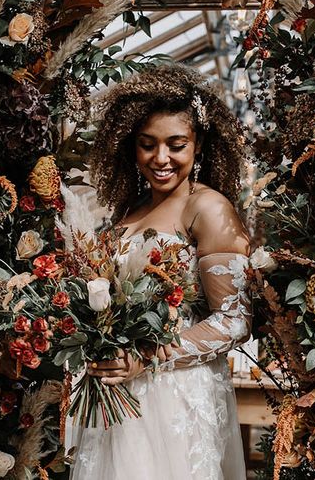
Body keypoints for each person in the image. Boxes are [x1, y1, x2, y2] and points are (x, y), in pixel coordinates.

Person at [70, 64, 251, 480]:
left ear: (199, 144)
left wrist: (144, 358)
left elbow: (234, 321)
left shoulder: (207, 208)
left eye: (176, 144)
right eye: (147, 145)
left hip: (174, 395)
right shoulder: (129, 210)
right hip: (117, 398)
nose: (161, 158)